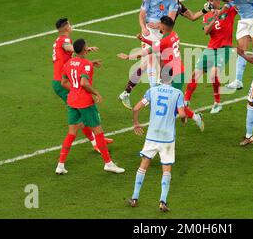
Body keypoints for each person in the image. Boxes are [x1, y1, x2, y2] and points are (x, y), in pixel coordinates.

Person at [117, 16, 204, 131]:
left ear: (163, 26)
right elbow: (158, 44)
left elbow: (147, 51)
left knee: (173, 101)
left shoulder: (165, 41)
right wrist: (143, 40)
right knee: (172, 99)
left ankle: (195, 118)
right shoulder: (174, 35)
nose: (158, 25)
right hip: (176, 71)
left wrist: (128, 57)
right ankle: (185, 117)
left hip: (175, 73)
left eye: (159, 24)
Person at [55, 39, 125, 174]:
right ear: (84, 49)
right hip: (84, 102)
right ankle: (108, 163)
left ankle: (60, 165)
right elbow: (83, 82)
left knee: (71, 133)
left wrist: (74, 89)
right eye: (87, 46)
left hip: (72, 101)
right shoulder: (86, 64)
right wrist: (96, 93)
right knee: (98, 132)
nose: (88, 47)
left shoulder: (68, 63)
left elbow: (63, 82)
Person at [128, 66, 187, 212]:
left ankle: (135, 198)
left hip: (152, 136)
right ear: (172, 77)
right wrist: (183, 120)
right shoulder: (178, 93)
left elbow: (135, 108)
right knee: (166, 169)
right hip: (167, 138)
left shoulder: (151, 91)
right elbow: (182, 114)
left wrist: (136, 124)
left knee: (143, 165)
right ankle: (163, 202)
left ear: (161, 76)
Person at [51, 18, 113, 152]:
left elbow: (74, 61)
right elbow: (69, 48)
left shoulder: (58, 39)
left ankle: (96, 141)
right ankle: (96, 141)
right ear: (66, 27)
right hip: (64, 82)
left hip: (61, 80)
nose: (71, 26)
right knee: (82, 109)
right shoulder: (65, 40)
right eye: (70, 24)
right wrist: (84, 48)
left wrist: (87, 58)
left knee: (81, 112)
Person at [184, 0, 237, 114]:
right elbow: (206, 31)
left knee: (213, 74)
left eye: (212, 0)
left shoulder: (229, 10)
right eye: (208, 0)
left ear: (219, 1)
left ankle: (217, 103)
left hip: (224, 49)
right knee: (194, 74)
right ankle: (186, 100)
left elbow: (236, 3)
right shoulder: (207, 15)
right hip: (211, 48)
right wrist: (215, 17)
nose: (210, 2)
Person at [219, 0, 253, 90]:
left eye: (229, 0)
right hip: (244, 19)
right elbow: (227, 5)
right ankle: (238, 80)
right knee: (241, 50)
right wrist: (219, 13)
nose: (229, 2)